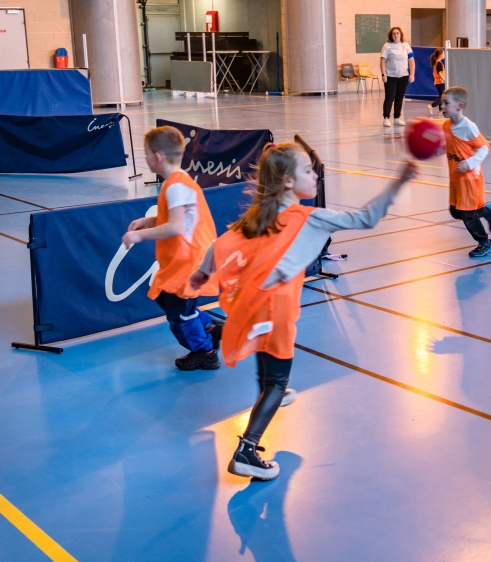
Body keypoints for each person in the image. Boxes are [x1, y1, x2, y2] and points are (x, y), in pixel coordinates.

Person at [189, 143, 417, 480]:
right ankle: (247, 450)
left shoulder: (259, 215)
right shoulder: (309, 218)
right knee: (278, 380)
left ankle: (266, 387)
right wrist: (398, 183)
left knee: (268, 365)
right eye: (308, 170)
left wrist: (202, 271)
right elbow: (365, 218)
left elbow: (220, 243)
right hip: (276, 311)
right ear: (287, 182)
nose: (315, 175)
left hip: (253, 306)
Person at [122, 126, 221, 371]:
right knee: (166, 298)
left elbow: (175, 227)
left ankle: (205, 353)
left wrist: (139, 235)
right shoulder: (176, 182)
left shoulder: (176, 186)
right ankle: (210, 327)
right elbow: (181, 220)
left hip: (189, 261)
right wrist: (150, 221)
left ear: (157, 157)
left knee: (180, 315)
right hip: (183, 260)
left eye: (146, 154)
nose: (145, 158)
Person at [440, 86, 491, 258]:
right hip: (456, 177)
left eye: (446, 103)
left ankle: (485, 243)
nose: (442, 106)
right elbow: (450, 146)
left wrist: (470, 163)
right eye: (442, 103)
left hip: (470, 178)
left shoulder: (468, 127)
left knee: (467, 215)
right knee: (455, 212)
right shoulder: (446, 126)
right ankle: (487, 212)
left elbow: (484, 147)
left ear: (460, 106)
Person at [380, 26, 415, 128]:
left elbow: (411, 61)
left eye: (397, 33)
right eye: (394, 33)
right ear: (391, 35)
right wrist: (383, 74)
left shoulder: (406, 46)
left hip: (403, 76)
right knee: (389, 97)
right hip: (390, 76)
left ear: (400, 35)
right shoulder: (387, 46)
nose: (396, 35)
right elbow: (382, 61)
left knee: (399, 98)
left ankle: (397, 118)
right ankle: (386, 118)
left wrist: (412, 74)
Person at [427, 48, 446, 116]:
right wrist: (444, 80)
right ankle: (432, 106)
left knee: (442, 96)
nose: (444, 55)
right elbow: (439, 73)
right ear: (440, 55)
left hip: (439, 82)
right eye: (443, 53)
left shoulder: (437, 62)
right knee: (443, 97)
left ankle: (440, 110)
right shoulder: (439, 63)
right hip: (440, 82)